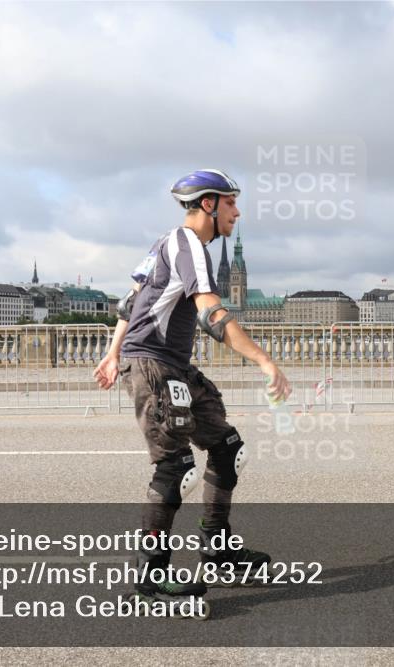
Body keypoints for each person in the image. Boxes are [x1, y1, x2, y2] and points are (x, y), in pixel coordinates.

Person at [94, 169, 291, 613]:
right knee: (176, 468)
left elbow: (129, 303)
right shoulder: (189, 245)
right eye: (230, 203)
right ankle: (149, 581)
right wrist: (264, 360)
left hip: (173, 366)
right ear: (208, 204)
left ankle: (218, 553)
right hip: (154, 365)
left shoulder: (164, 244)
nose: (237, 212)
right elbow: (211, 314)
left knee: (227, 448)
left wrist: (111, 354)